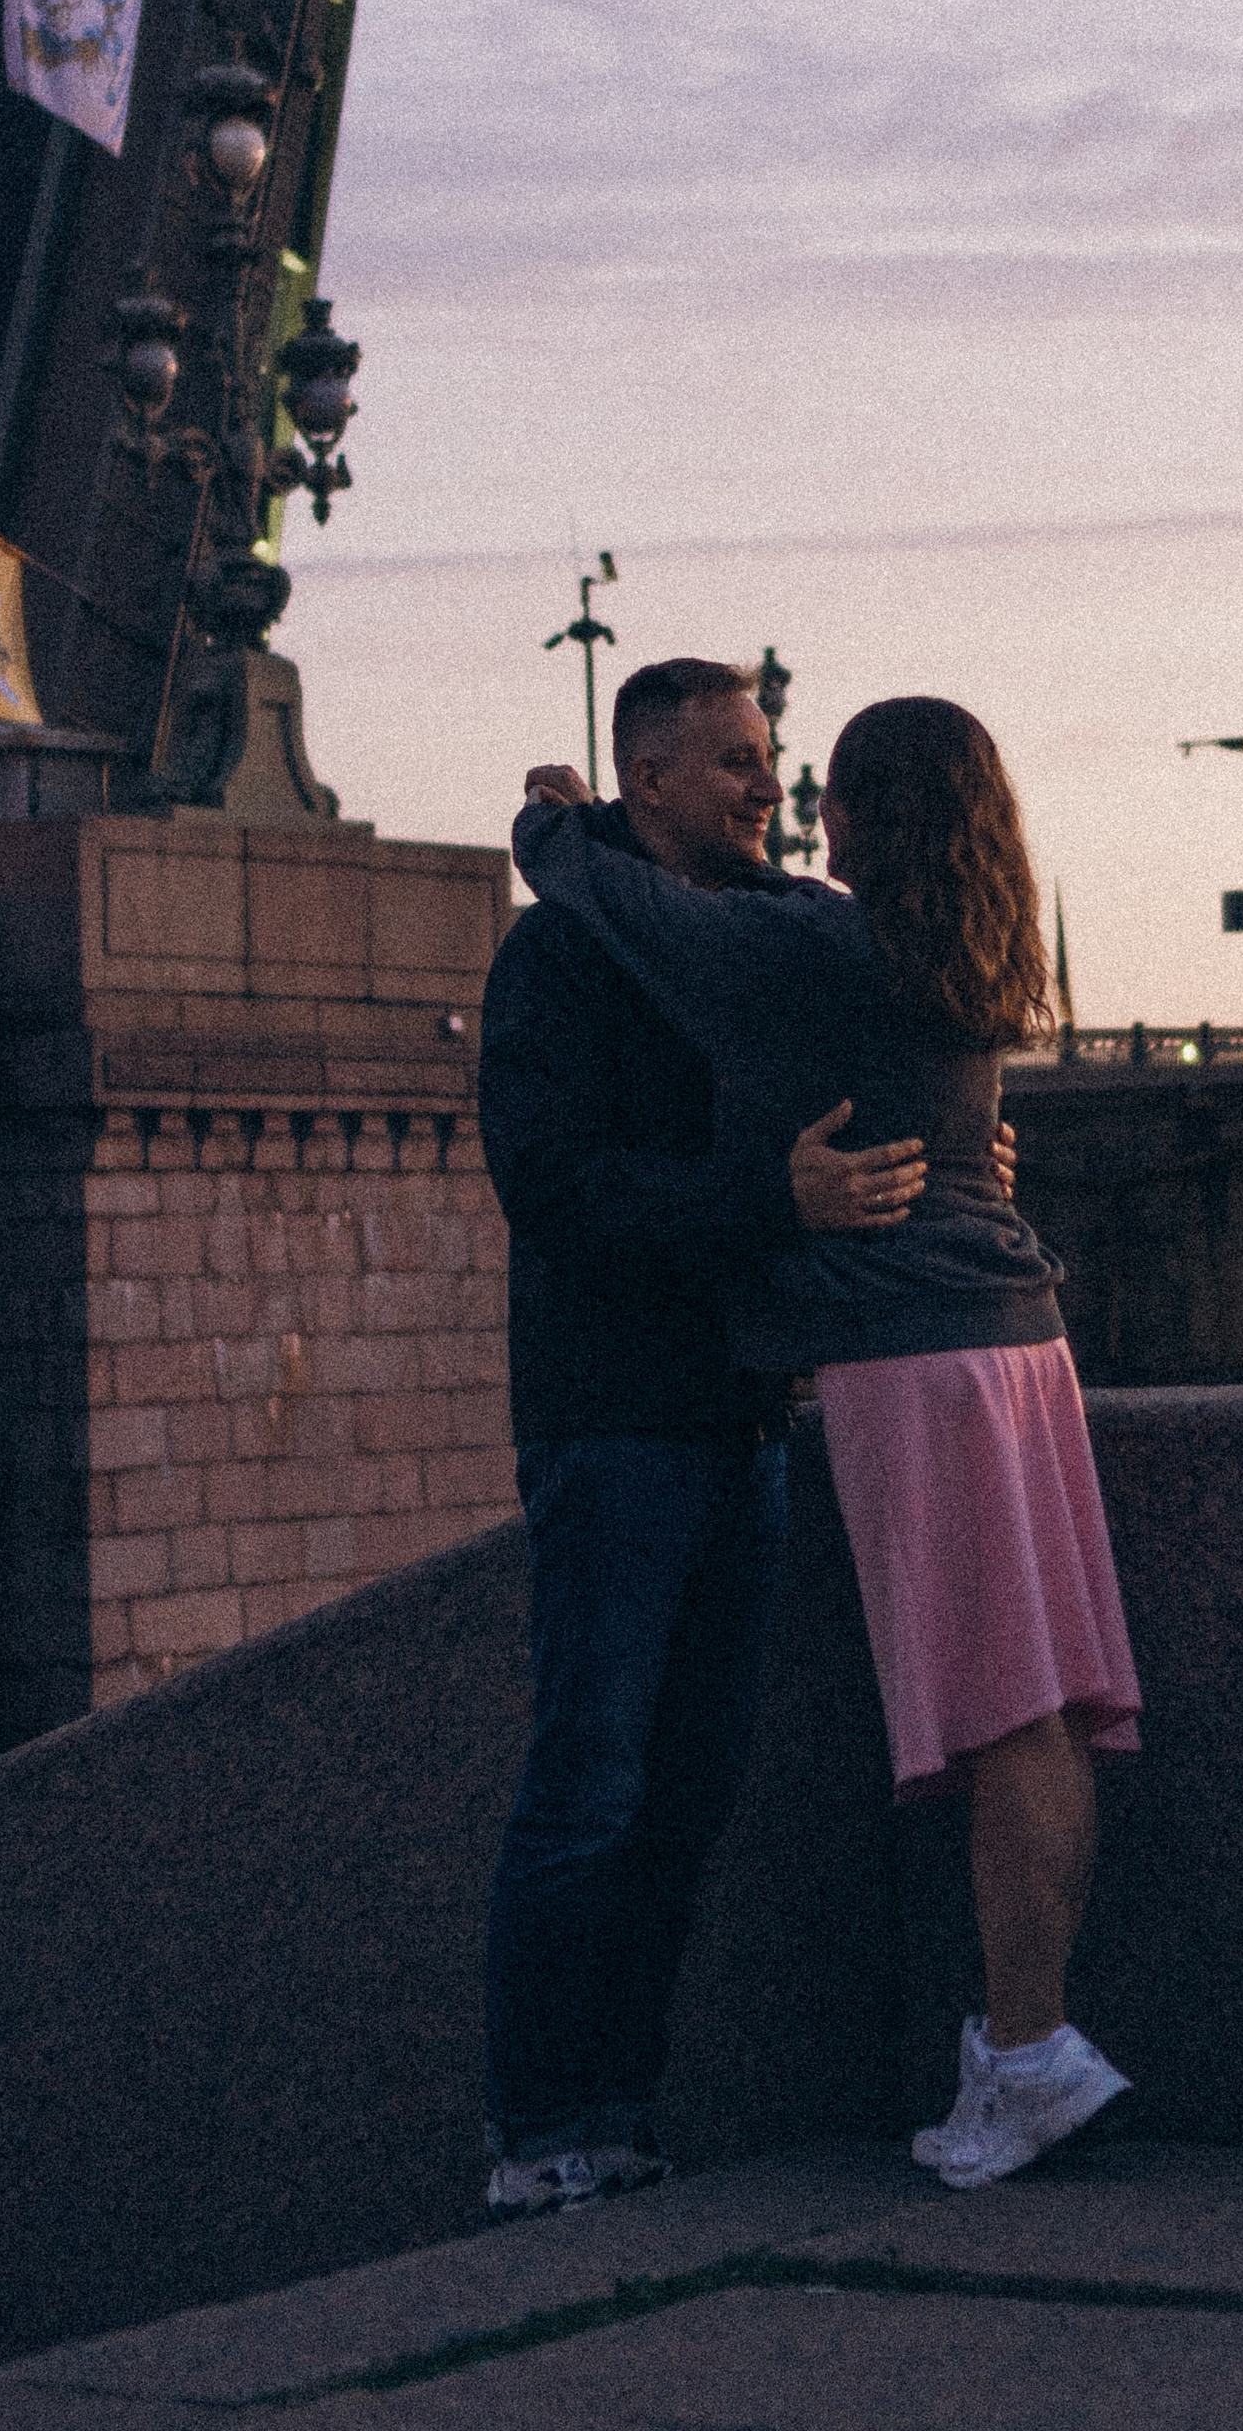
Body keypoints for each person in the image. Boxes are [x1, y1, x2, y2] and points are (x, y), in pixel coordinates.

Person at [514, 692, 1139, 2192]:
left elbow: (644, 914)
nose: (808, 815)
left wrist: (554, 821)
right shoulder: (968, 947)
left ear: (881, 814)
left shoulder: (824, 945)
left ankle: (1029, 2052)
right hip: (1019, 1342)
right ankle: (1025, 2049)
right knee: (1045, 1708)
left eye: (830, 793)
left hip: (915, 1360)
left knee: (999, 1715)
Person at [476, 655, 961, 2220]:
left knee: (687, 1792)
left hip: (747, 1416)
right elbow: (556, 1192)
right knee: (591, 1782)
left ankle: (621, 2114)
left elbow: (874, 1089)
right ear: (653, 781)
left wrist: (965, 1152)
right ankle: (536, 2130)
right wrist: (774, 1200)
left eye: (772, 757)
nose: (771, 786)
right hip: (614, 1422)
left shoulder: (757, 942)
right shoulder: (558, 963)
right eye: (741, 762)